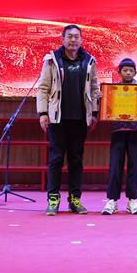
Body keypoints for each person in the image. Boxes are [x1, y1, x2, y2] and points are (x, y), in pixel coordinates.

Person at [37, 24, 100, 216]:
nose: (73, 40)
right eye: (70, 36)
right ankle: (53, 199)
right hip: (57, 119)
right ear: (63, 39)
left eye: (76, 37)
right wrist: (43, 113)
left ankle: (75, 199)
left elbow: (94, 88)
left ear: (81, 40)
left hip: (80, 119)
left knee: (76, 160)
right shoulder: (52, 60)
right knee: (56, 160)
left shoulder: (88, 61)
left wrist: (95, 112)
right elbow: (43, 88)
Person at [102, 58, 137, 215]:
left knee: (134, 166)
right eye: (125, 70)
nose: (128, 73)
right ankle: (112, 200)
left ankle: (132, 200)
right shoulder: (112, 90)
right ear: (119, 72)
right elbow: (106, 109)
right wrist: (102, 99)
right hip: (118, 131)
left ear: (135, 72)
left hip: (135, 132)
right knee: (115, 166)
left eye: (131, 70)